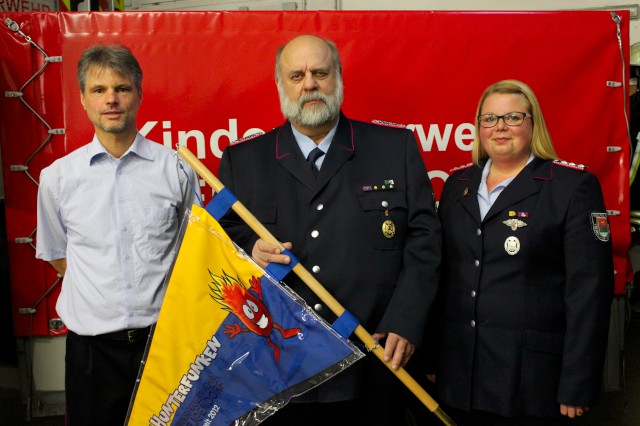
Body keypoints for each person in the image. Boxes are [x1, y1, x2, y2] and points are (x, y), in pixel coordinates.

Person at [218, 34, 441, 425]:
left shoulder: (394, 147)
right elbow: (222, 238)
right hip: (280, 368)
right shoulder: (243, 160)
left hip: (373, 359)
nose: (309, 84)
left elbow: (424, 242)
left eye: (320, 72)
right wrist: (250, 246)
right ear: (280, 85)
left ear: (338, 78)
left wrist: (405, 322)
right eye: (297, 75)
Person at [35, 43, 201, 425]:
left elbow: (192, 249)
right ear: (83, 99)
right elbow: (61, 256)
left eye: (122, 88)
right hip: (91, 352)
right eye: (99, 90)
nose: (111, 99)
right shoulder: (58, 179)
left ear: (138, 95)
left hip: (163, 342)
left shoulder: (176, 170)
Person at [434, 79, 614, 425]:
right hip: (461, 373)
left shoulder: (571, 187)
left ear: (533, 124)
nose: (500, 127)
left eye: (513, 117)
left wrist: (578, 382)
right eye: (489, 119)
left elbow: (589, 293)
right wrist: (431, 360)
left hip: (532, 380)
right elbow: (444, 278)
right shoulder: (457, 185)